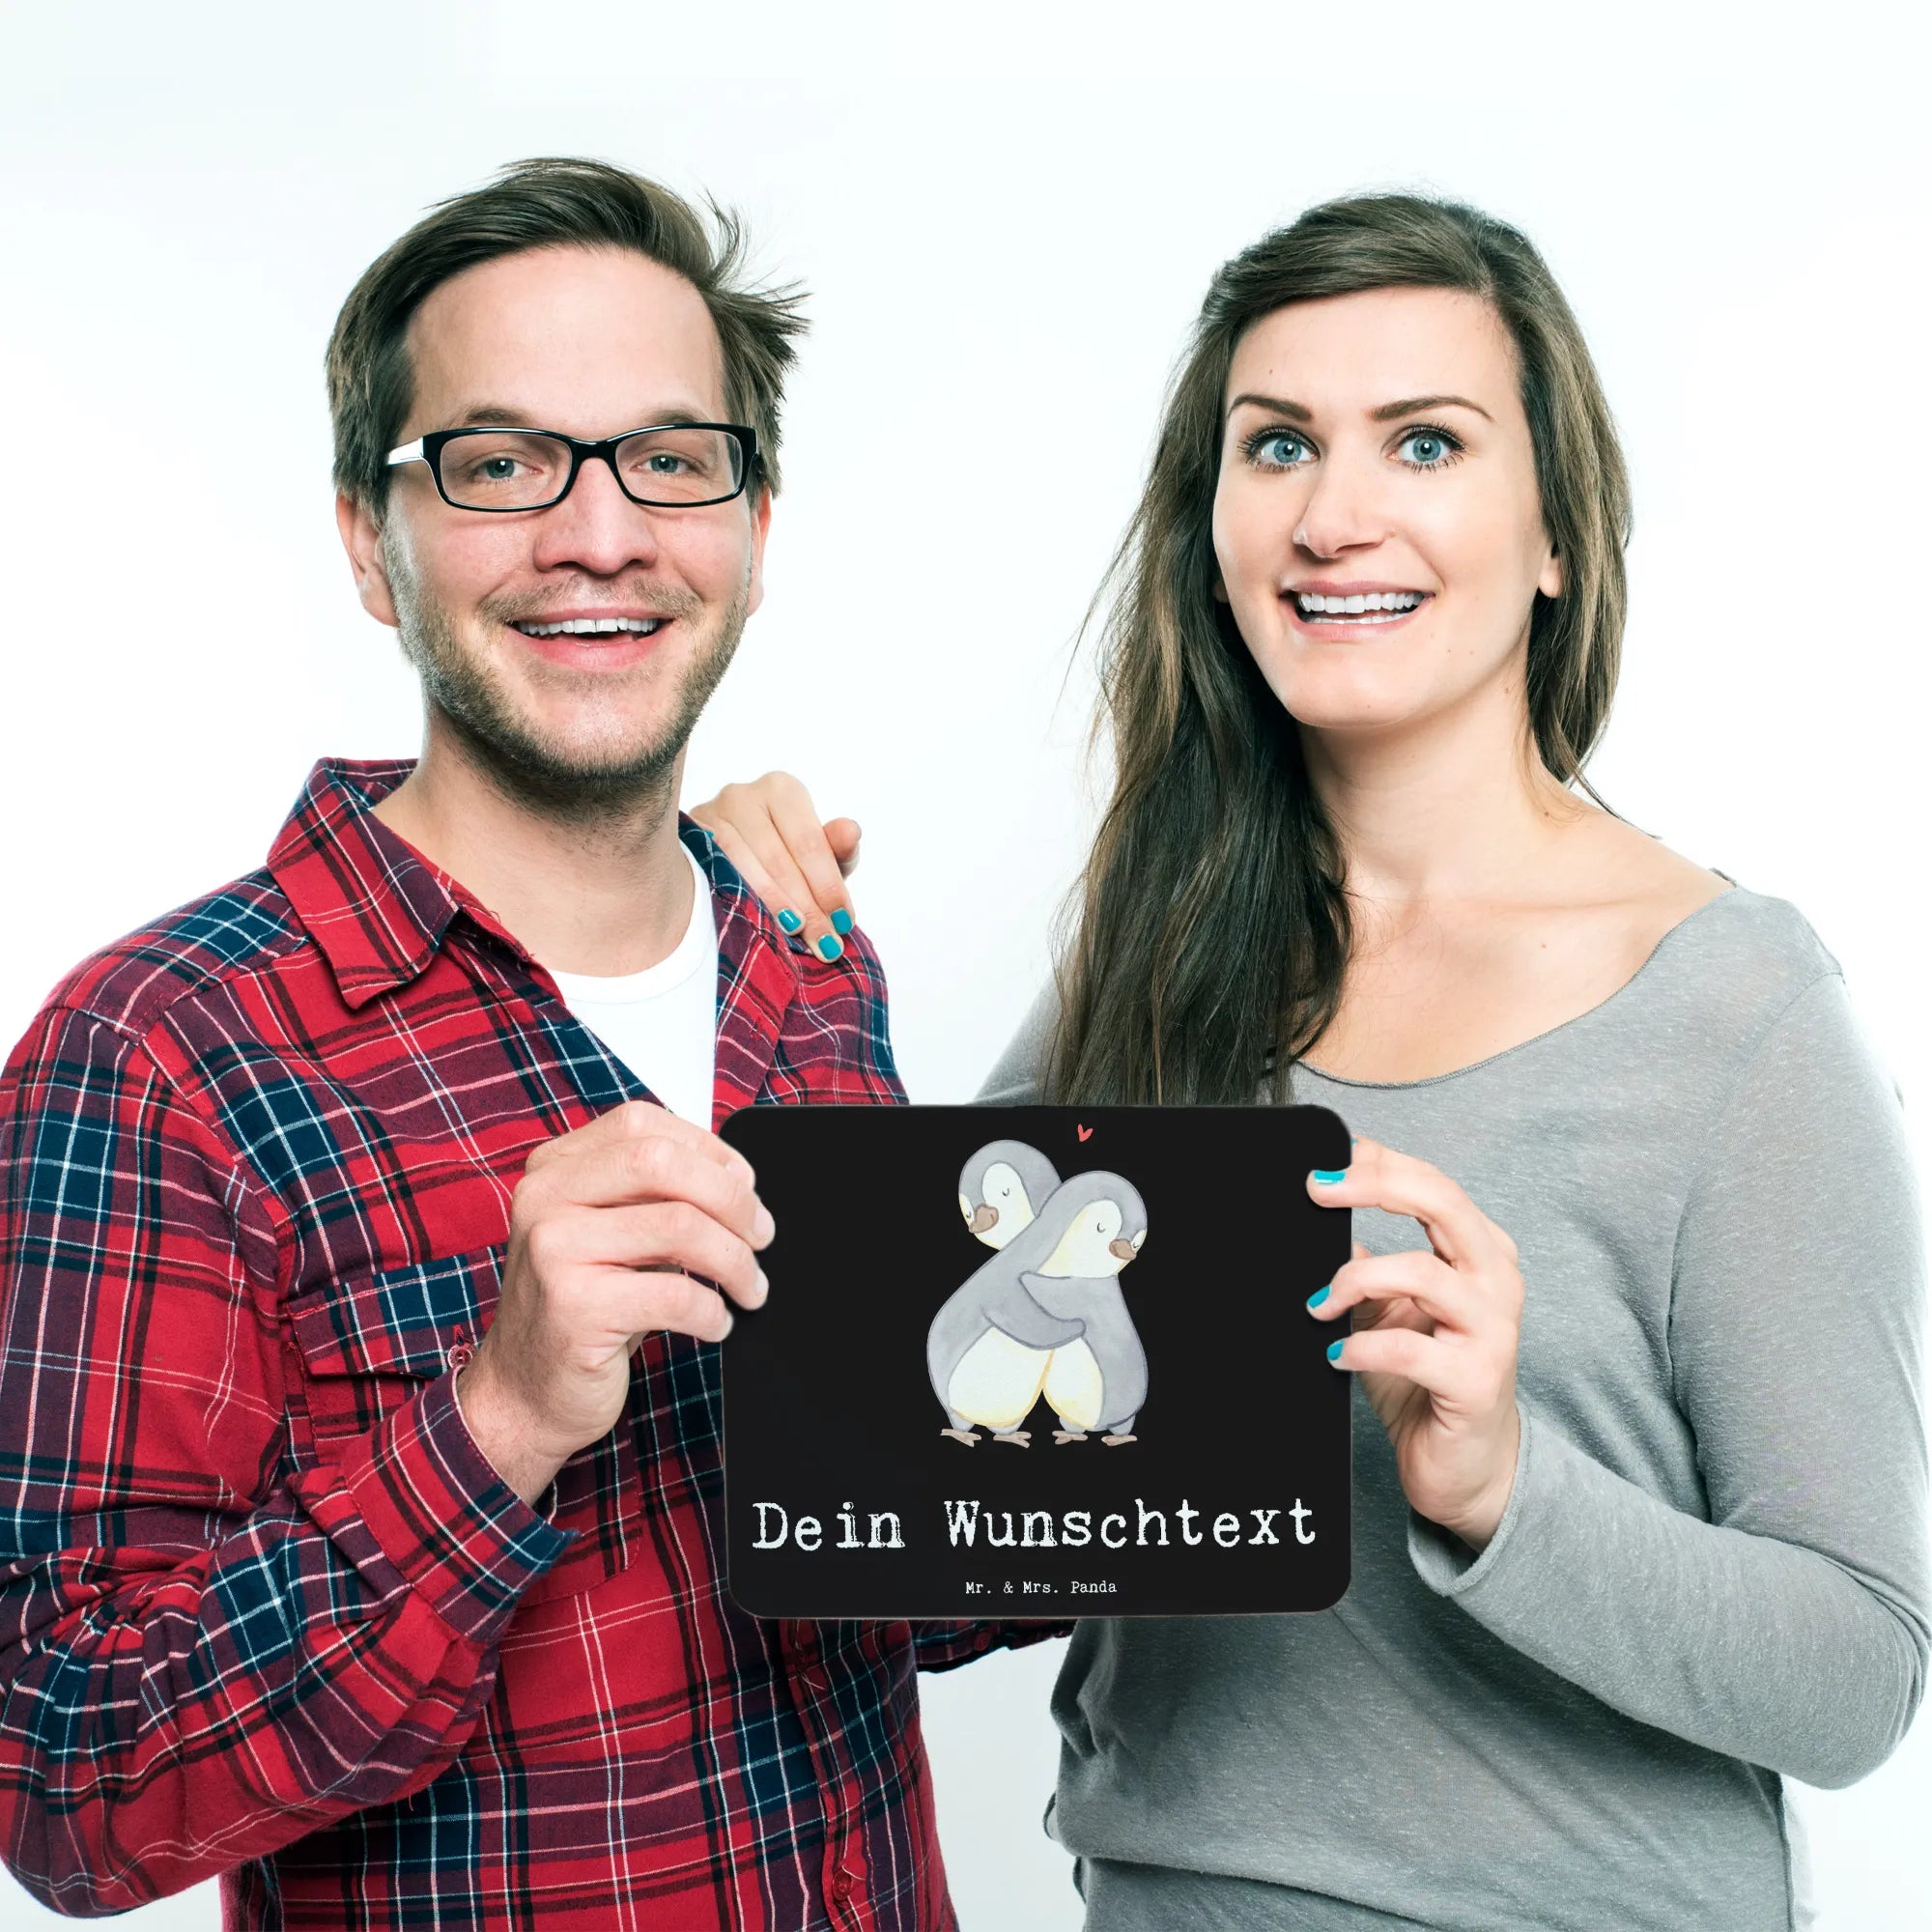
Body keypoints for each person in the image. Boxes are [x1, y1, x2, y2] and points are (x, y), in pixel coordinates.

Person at [691, 192, 1929, 1929]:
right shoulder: (1155, 946)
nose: (1335, 517)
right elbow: (891, 1433)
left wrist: (1503, 1490)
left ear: (1557, 533)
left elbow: (1857, 1675)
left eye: (1425, 442)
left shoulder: (1737, 1011)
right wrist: (729, 933)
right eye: (1277, 444)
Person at [0, 157, 1055, 1928]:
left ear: (753, 527)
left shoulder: (808, 963)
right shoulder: (161, 1056)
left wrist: (1213, 1394)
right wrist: (495, 1420)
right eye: (500, 466)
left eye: (670, 459)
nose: (601, 534)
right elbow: (66, 1788)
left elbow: (883, 1587)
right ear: (372, 541)